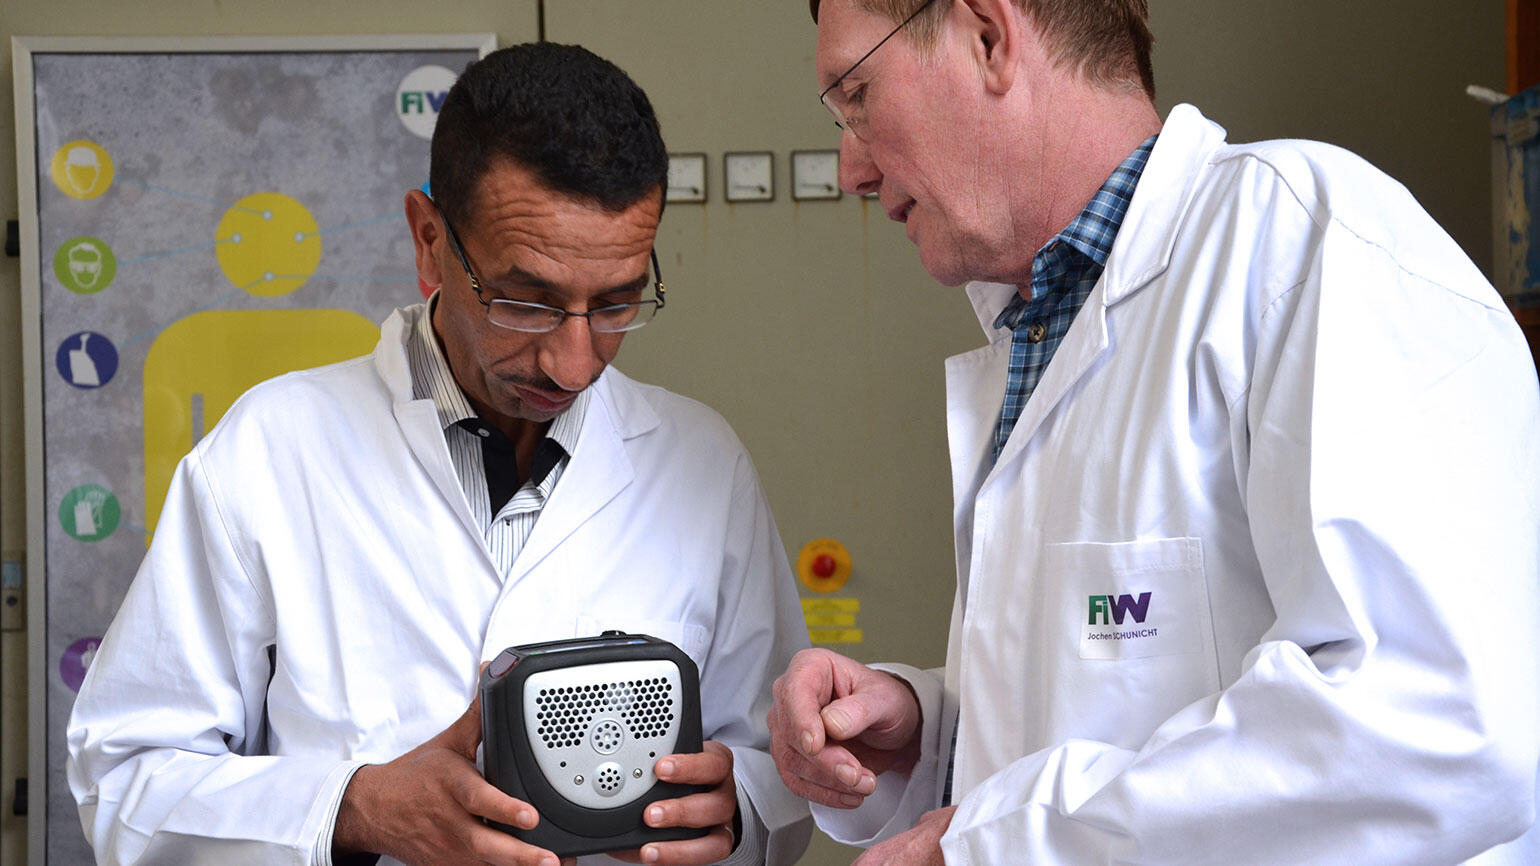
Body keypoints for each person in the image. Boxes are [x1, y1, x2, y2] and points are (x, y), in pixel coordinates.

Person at [767, 0, 1540, 863]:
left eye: (858, 95)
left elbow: (1434, 724)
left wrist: (1001, 846)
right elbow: (1133, 693)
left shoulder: (1306, 243)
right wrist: (927, 736)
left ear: (987, 37)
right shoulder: (1042, 326)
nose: (851, 169)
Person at [67, 42, 812, 866]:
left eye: (616, 303)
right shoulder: (271, 453)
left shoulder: (701, 461)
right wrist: (352, 810)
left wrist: (736, 803)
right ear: (430, 241)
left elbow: (778, 773)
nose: (574, 362)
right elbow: (124, 782)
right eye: (527, 301)